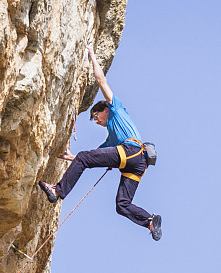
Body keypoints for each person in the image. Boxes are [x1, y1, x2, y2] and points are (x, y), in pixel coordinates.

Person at [39, 46, 162, 241]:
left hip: (132, 151)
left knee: (85, 158)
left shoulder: (116, 109)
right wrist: (72, 156)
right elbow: (94, 156)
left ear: (105, 108)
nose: (96, 121)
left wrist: (92, 55)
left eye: (96, 116)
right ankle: (150, 221)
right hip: (137, 165)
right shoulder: (111, 138)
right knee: (122, 204)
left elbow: (101, 80)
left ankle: (57, 190)